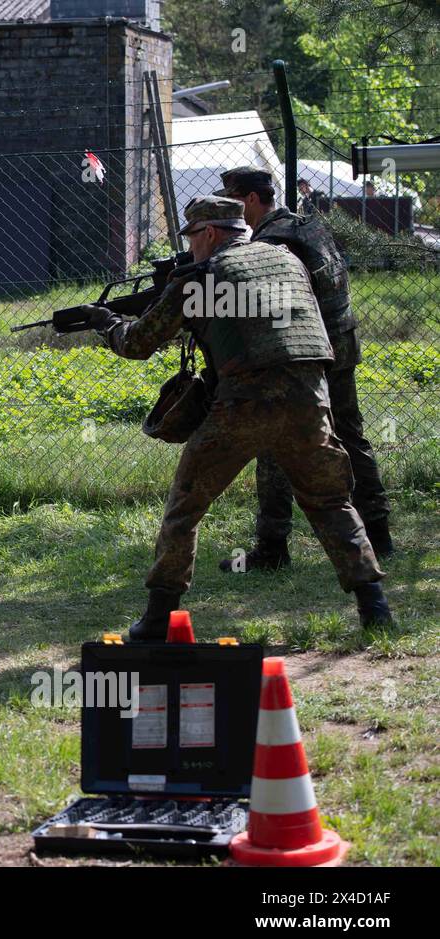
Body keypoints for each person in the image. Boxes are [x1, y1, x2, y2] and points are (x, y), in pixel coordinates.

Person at [79, 195, 393, 641]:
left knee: (185, 508)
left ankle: (156, 620)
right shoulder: (286, 260)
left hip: (244, 405)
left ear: (209, 234)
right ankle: (375, 608)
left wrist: (106, 322)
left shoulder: (198, 279)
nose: (190, 249)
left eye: (192, 239)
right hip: (311, 397)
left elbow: (137, 344)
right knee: (330, 502)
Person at [217, 167, 392, 573]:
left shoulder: (273, 241)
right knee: (351, 436)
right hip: (341, 344)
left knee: (276, 441)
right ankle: (379, 534)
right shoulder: (303, 226)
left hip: (307, 355)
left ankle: (273, 545)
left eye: (233, 199)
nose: (229, 208)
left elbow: (270, 310)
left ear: (252, 200)